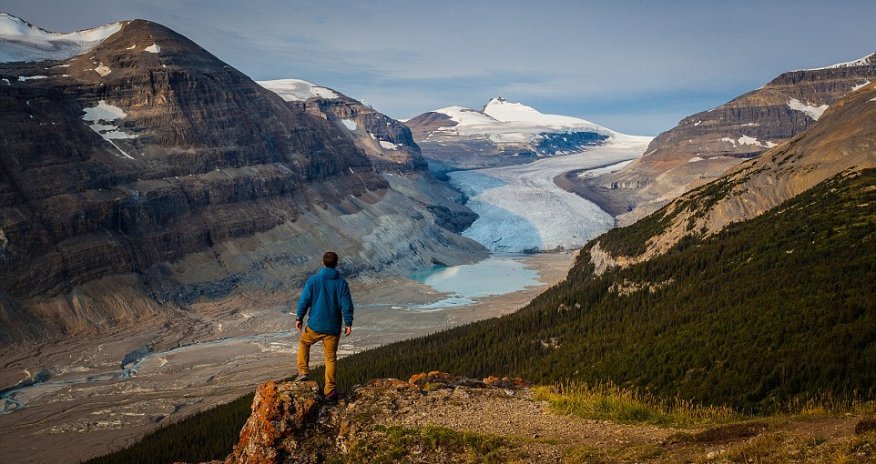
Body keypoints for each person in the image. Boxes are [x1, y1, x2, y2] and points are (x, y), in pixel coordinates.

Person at [294, 251, 354, 402]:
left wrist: (299, 317)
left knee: (304, 342)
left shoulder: (313, 280)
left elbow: (304, 300)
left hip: (315, 325)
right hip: (333, 329)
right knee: (330, 358)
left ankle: (303, 372)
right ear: (335, 264)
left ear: (323, 263)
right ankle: (330, 391)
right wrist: (348, 323)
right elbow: (346, 305)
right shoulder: (341, 283)